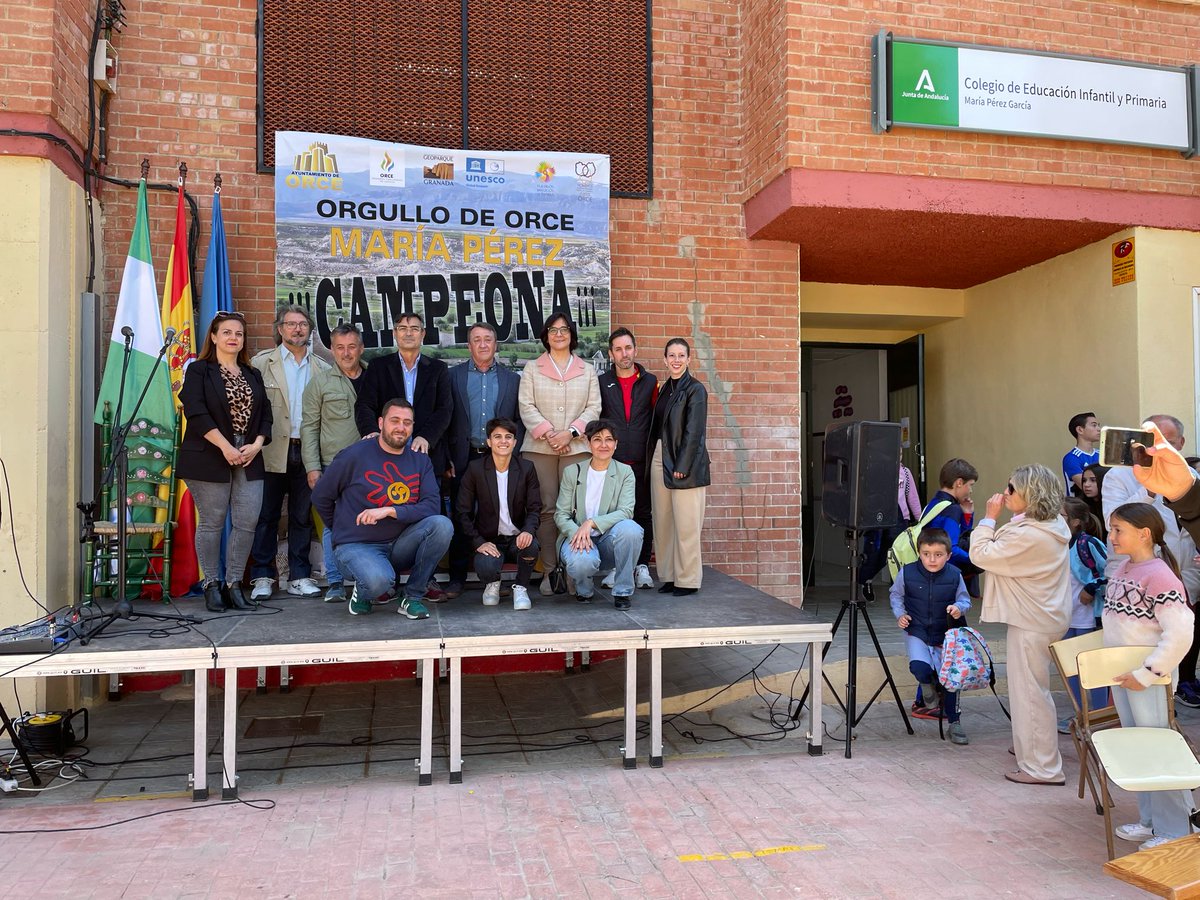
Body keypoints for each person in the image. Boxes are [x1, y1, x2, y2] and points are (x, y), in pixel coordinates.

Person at [969, 464, 1072, 786]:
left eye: (1012, 488)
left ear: (1030, 495)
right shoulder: (1049, 524)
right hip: (1042, 617)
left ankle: (1042, 767)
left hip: (1034, 621)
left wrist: (987, 517)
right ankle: (1030, 748)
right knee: (1030, 690)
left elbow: (981, 554)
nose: (1006, 492)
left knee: (1030, 694)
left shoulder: (1030, 534)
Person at [1103, 502, 1197, 850]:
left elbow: (1181, 632)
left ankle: (1175, 829)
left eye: (1118, 530)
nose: (1111, 536)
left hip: (1148, 681)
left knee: (1158, 750)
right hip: (1126, 678)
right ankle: (1151, 820)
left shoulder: (1159, 575)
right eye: (1112, 529)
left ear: (1144, 534)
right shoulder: (1125, 568)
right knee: (1139, 749)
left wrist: (1147, 673)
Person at [310, 399, 453, 619]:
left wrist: (390, 511)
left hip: (399, 544)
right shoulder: (354, 455)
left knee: (442, 525)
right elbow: (321, 496)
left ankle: (412, 597)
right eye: (394, 421)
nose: (401, 427)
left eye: (407, 422)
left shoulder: (419, 461)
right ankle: (365, 589)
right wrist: (341, 529)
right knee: (379, 582)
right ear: (380, 423)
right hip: (357, 546)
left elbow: (432, 506)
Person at [353, 311, 453, 600]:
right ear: (394, 334)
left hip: (424, 456)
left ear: (424, 334)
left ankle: (425, 581)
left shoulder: (438, 369)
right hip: (385, 458)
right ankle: (386, 581)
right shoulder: (379, 367)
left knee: (430, 519)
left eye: (414, 328)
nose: (408, 333)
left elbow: (444, 411)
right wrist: (372, 433)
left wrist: (425, 437)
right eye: (402, 328)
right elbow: (365, 405)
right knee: (388, 517)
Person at [176, 311, 271, 612]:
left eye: (239, 334)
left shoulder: (252, 373)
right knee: (213, 521)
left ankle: (234, 585)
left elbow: (266, 415)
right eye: (227, 332)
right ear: (214, 337)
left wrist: (256, 445)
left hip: (249, 454)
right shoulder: (199, 371)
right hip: (210, 453)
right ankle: (212, 584)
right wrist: (226, 447)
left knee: (247, 523)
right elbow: (196, 411)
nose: (233, 338)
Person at [249, 304, 330, 600]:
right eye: (291, 324)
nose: (298, 329)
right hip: (270, 451)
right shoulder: (260, 364)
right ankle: (262, 576)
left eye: (303, 324)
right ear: (280, 329)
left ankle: (299, 576)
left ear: (309, 330)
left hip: (307, 451)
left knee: (301, 516)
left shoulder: (322, 368)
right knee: (266, 515)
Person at [518, 313, 601, 593]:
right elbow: (526, 405)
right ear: (546, 335)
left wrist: (572, 433)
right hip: (540, 447)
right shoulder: (532, 368)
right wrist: (551, 433)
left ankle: (573, 571)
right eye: (553, 330)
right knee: (545, 509)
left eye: (564, 329)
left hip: (576, 448)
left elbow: (594, 408)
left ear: (571, 334)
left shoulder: (587, 370)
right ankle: (549, 572)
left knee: (574, 510)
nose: (559, 334)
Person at [445, 322, 522, 598]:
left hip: (498, 459)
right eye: (476, 340)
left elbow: (518, 422)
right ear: (469, 345)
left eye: (487, 339)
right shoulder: (452, 377)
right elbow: (446, 420)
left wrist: (513, 455)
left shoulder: (512, 380)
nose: (482, 344)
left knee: (496, 514)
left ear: (495, 344)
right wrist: (447, 459)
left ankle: (494, 575)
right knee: (460, 516)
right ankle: (456, 579)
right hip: (463, 458)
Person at [300, 323, 368, 602]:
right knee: (333, 525)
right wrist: (313, 466)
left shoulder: (375, 378)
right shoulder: (321, 383)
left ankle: (368, 582)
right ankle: (337, 583)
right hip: (333, 466)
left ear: (361, 348)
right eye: (340, 347)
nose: (346, 352)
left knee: (373, 526)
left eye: (352, 346)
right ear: (331, 349)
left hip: (371, 467)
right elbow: (309, 427)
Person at [889, 528, 971, 745]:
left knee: (951, 680)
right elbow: (896, 595)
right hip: (916, 631)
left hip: (947, 634)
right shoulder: (907, 572)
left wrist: (958, 608)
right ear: (919, 553)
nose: (931, 559)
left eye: (938, 555)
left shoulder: (955, 574)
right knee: (919, 668)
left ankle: (955, 723)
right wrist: (900, 614)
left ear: (948, 555)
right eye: (926, 554)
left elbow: (965, 600)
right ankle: (929, 688)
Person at [555, 420, 643, 608]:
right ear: (588, 443)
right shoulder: (573, 472)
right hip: (578, 539)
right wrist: (578, 532)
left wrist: (591, 523)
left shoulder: (625, 472)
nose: (604, 445)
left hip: (608, 542)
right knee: (582, 562)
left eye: (609, 439)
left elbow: (627, 511)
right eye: (597, 439)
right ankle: (584, 589)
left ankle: (623, 591)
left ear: (616, 444)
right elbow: (560, 514)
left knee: (631, 530)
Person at [456, 417, 540, 611]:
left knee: (531, 545)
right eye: (497, 437)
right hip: (489, 540)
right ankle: (492, 583)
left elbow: (535, 507)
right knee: (485, 565)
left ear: (515, 442)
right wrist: (478, 542)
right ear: (489, 442)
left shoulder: (527, 468)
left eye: (508, 437)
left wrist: (528, 530)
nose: (503, 441)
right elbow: (462, 512)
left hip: (516, 539)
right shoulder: (475, 469)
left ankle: (521, 586)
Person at [648, 338, 710, 597]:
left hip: (686, 461)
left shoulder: (696, 390)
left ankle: (687, 580)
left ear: (688, 359)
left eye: (681, 355)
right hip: (660, 456)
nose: (676, 360)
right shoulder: (665, 389)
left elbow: (694, 431)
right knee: (663, 522)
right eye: (671, 355)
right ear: (665, 359)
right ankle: (670, 576)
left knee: (686, 524)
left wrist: (682, 465)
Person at [598, 328, 658, 591]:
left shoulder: (650, 381)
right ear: (611, 354)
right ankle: (615, 566)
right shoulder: (601, 382)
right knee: (613, 515)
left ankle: (642, 565)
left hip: (642, 460)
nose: (624, 354)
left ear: (635, 349)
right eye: (618, 349)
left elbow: (658, 419)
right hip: (613, 462)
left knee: (643, 513)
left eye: (628, 348)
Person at [1058, 497, 1109, 733]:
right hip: (1065, 617)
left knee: (1093, 670)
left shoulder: (1087, 544)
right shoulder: (1056, 544)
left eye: (1061, 516)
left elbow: (1112, 570)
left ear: (1076, 521)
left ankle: (1098, 718)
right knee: (1071, 669)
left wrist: (1091, 588)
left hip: (1088, 617)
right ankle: (1081, 715)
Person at [860, 461, 924, 602]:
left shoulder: (905, 472)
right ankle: (866, 579)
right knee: (874, 552)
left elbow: (912, 498)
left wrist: (921, 521)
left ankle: (901, 591)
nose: (898, 456)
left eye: (900, 453)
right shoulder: (874, 470)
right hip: (877, 518)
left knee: (897, 553)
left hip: (900, 518)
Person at [923, 458, 981, 592]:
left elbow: (956, 537)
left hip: (930, 572)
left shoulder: (934, 503)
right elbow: (952, 548)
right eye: (970, 485)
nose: (970, 490)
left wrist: (967, 514)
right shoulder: (952, 509)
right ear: (959, 483)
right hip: (946, 577)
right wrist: (975, 559)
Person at [1063, 411, 1101, 494]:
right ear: (1080, 430)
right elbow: (1087, 487)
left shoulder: (1102, 455)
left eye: (1098, 425)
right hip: (1080, 505)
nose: (1099, 429)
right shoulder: (1071, 458)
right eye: (1094, 425)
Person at [1079, 463, 1108, 542]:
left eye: (1093, 480)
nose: (1086, 485)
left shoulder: (1113, 506)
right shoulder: (1080, 506)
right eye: (1084, 480)